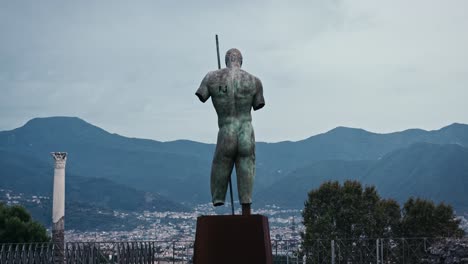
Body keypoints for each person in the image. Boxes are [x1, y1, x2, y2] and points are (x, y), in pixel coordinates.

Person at [195, 48, 265, 215]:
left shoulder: (212, 77)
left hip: (226, 130)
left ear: (227, 60)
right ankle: (246, 201)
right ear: (241, 61)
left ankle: (218, 197)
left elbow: (202, 95)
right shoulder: (254, 81)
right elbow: (258, 104)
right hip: (245, 130)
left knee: (220, 163)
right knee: (247, 164)